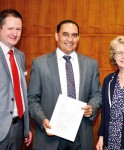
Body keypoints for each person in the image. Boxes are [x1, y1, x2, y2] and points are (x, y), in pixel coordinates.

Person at [28, 19, 102, 150]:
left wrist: (92, 107)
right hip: (50, 135)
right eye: (65, 34)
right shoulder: (40, 64)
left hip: (81, 136)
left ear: (78, 38)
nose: (70, 39)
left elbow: (97, 94)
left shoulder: (91, 64)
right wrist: (42, 120)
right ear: (56, 36)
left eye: (74, 35)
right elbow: (32, 99)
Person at [0, 9, 32, 149]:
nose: (15, 33)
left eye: (18, 29)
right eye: (10, 28)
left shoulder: (20, 56)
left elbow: (21, 92)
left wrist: (26, 127)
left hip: (18, 128)